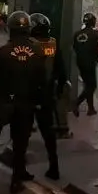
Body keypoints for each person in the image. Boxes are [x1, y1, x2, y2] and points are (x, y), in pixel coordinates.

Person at [0, 10, 46, 194]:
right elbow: (43, 81)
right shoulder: (38, 52)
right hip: (25, 104)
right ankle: (16, 180)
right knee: (20, 142)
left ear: (10, 29)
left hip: (1, 102)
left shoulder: (2, 52)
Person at [29, 12, 68, 180]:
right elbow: (61, 71)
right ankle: (54, 166)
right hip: (47, 95)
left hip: (29, 94)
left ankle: (19, 170)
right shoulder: (53, 44)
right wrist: (58, 89)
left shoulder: (29, 44)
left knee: (21, 131)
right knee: (48, 133)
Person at [72, 12, 98, 116]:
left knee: (88, 84)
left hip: (80, 63)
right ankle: (76, 103)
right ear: (94, 22)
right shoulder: (96, 34)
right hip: (92, 63)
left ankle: (91, 109)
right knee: (92, 85)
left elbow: (74, 48)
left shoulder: (77, 34)